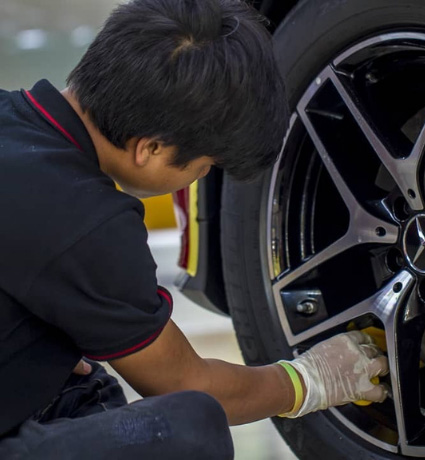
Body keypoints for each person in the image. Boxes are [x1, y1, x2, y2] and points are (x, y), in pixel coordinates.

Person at [0, 0, 389, 458]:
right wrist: (309, 381)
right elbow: (190, 384)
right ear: (150, 148)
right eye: (205, 166)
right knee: (190, 428)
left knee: (79, 377)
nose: (202, 177)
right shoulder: (89, 222)